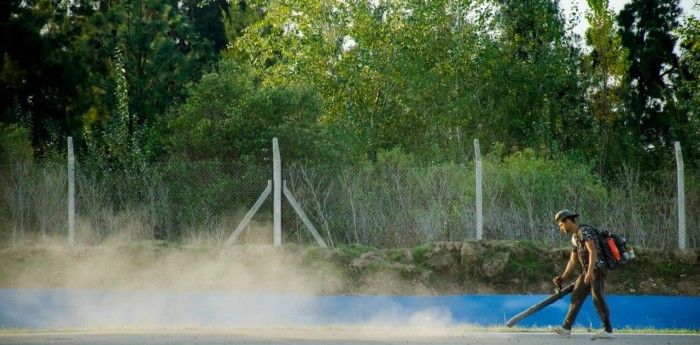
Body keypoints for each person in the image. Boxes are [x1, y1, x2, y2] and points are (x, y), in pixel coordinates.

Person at [549, 210, 614, 340]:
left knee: (598, 298)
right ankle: (566, 328)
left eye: (561, 225)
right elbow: (573, 260)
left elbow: (592, 251)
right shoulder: (575, 237)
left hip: (598, 269)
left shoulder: (584, 231)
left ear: (567, 221)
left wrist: (590, 272)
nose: (561, 228)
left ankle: (607, 330)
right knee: (576, 296)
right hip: (587, 271)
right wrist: (563, 277)